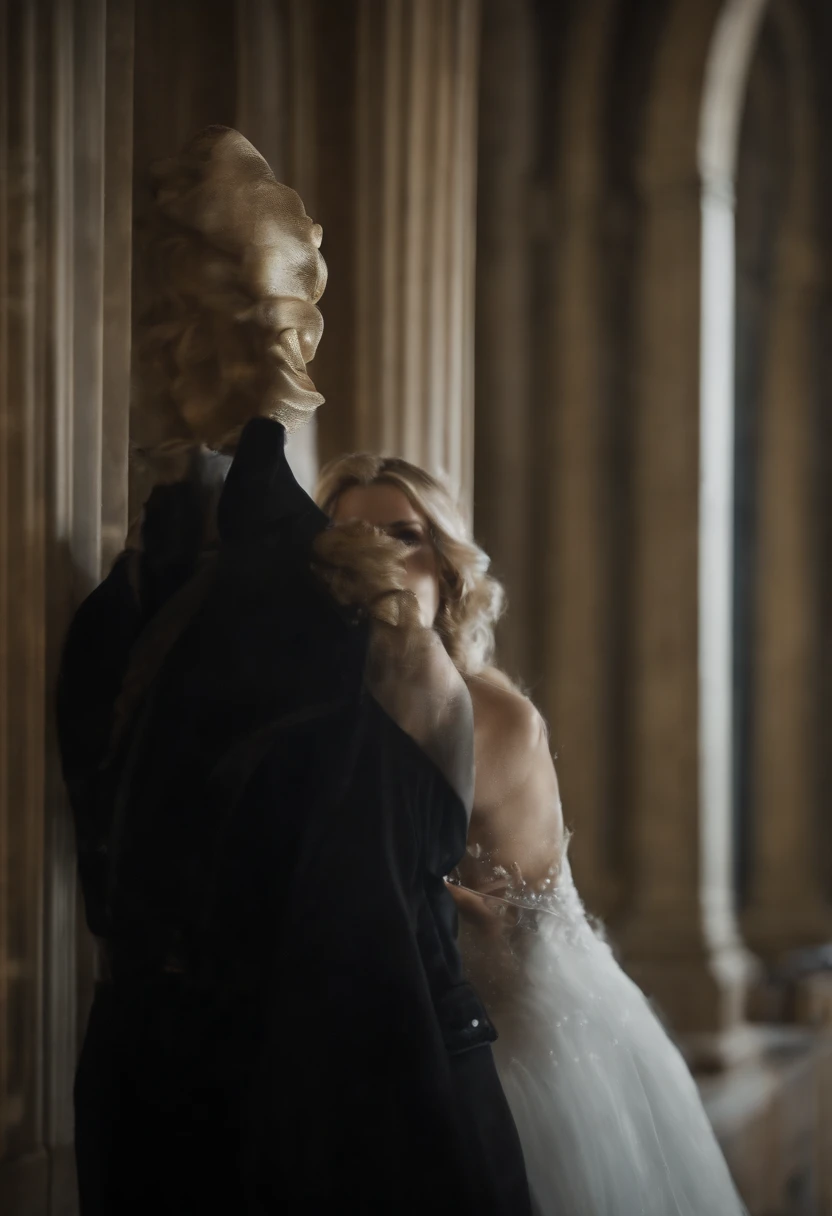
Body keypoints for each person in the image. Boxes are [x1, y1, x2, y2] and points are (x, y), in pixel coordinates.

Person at [57, 127, 532, 1215]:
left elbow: (378, 954)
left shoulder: (347, 620)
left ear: (269, 337)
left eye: (183, 312)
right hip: (152, 1102)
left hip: (325, 1125)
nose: (156, 343)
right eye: (160, 311)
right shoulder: (129, 600)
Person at [317, 452, 750, 1216]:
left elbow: (381, 879)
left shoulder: (490, 713)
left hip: (518, 1051)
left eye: (405, 535)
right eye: (352, 537)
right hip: (394, 1039)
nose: (380, 558)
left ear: (449, 571)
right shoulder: (339, 708)